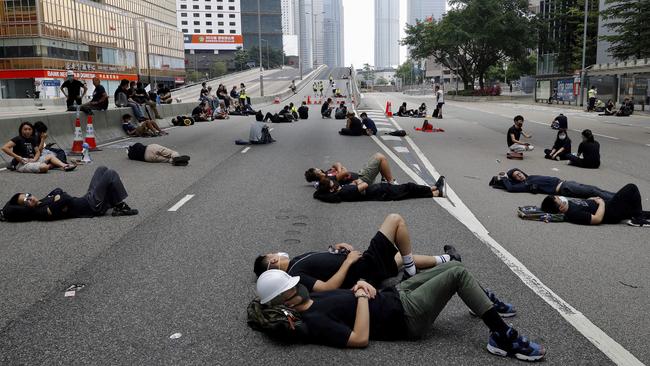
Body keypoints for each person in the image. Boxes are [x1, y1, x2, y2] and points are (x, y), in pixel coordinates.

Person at [254, 264, 544, 360]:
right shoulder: (313, 321)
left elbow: (348, 295)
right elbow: (358, 338)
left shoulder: (312, 299)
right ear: (285, 302)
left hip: (394, 296)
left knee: (451, 266)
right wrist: (363, 298)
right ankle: (501, 336)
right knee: (457, 274)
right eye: (292, 288)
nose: (298, 286)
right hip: (406, 317)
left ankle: (481, 302)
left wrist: (362, 285)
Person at [254, 214, 465, 291]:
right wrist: (347, 262)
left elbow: (324, 266)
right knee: (395, 220)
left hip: (360, 264)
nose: (278, 253)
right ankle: (411, 274)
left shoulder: (296, 263)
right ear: (272, 260)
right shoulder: (294, 274)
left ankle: (449, 259)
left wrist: (336, 250)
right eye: (274, 254)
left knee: (400, 258)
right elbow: (327, 287)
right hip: (363, 269)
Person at [0, 166, 138, 222]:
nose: (30, 199)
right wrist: (59, 200)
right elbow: (63, 198)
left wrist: (59, 200)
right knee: (110, 174)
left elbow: (58, 190)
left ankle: (113, 202)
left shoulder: (41, 202)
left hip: (86, 199)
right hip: (91, 207)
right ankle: (120, 206)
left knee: (101, 169)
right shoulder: (39, 212)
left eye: (28, 195)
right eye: (26, 201)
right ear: (26, 207)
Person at [540, 184, 650, 227]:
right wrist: (601, 203)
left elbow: (585, 205)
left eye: (558, 197)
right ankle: (638, 220)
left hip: (609, 205)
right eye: (558, 199)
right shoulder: (573, 214)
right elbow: (597, 219)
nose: (560, 198)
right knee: (631, 188)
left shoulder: (569, 205)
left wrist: (591, 199)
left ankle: (638, 216)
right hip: (610, 212)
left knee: (640, 211)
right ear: (560, 208)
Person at [491, 168, 615, 200]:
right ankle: (618, 198)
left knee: (595, 189)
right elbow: (511, 188)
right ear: (516, 180)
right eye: (516, 176)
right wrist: (504, 178)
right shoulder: (525, 184)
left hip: (566, 182)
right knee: (593, 192)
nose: (520, 175)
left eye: (519, 173)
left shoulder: (530, 177)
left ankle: (617, 195)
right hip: (564, 188)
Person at [2, 122, 75, 173]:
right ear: (21, 130)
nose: (27, 131)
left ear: (32, 131)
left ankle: (65, 166)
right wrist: (17, 157)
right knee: (44, 167)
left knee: (50, 156)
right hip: (23, 162)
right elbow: (5, 148)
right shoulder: (18, 139)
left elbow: (37, 151)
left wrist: (34, 159)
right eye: (25, 129)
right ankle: (49, 165)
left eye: (29, 129)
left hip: (33, 160)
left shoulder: (32, 139)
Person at [313, 175, 446, 203]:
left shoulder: (339, 191)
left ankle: (435, 191)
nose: (334, 183)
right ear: (331, 190)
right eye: (332, 184)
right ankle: (435, 189)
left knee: (407, 193)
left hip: (381, 192)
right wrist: (358, 182)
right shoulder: (343, 192)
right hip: (382, 191)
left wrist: (355, 183)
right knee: (409, 187)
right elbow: (363, 185)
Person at [304, 153, 396, 187]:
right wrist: (342, 171)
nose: (319, 169)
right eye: (317, 170)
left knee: (377, 159)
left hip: (360, 175)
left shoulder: (327, 173)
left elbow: (337, 164)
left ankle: (385, 180)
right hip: (362, 180)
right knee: (380, 157)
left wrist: (340, 170)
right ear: (317, 174)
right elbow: (345, 172)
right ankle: (391, 183)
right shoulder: (328, 179)